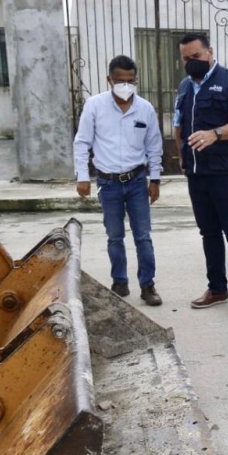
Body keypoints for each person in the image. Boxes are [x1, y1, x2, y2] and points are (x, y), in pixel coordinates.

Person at [173, 33, 228, 319]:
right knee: (208, 233)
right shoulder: (185, 88)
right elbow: (178, 126)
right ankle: (217, 289)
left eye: (196, 56)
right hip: (198, 174)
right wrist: (183, 159)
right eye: (186, 58)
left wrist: (215, 134)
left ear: (210, 51)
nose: (191, 62)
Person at [74, 54, 163, 306]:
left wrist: (154, 179)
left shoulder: (144, 109)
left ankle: (148, 285)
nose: (126, 85)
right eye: (120, 80)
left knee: (143, 236)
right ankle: (119, 281)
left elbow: (154, 146)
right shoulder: (94, 106)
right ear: (109, 80)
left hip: (136, 181)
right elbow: (82, 142)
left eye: (131, 80)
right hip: (108, 182)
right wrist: (83, 176)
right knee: (114, 236)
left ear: (136, 80)